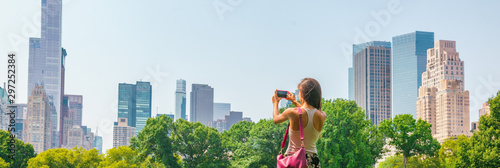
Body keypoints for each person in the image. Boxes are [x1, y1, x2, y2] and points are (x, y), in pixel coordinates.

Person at [272, 77, 326, 168]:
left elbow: (276, 119)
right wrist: (294, 102)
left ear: (301, 94)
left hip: (294, 159)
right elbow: (307, 112)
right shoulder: (322, 115)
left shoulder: (292, 112)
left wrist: (275, 103)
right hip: (313, 160)